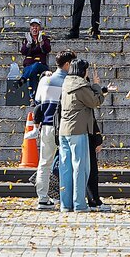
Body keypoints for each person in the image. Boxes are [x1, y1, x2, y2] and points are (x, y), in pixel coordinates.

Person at [60, 58, 111, 212]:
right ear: (82, 71)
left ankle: (65, 203)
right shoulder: (81, 86)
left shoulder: (66, 83)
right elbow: (96, 101)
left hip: (64, 130)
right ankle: (79, 204)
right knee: (80, 168)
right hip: (78, 130)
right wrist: (96, 85)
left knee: (66, 169)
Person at [33, 50, 75, 209]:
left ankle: (42, 198)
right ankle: (66, 198)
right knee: (66, 163)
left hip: (47, 125)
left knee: (44, 163)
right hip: (64, 126)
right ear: (67, 64)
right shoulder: (70, 82)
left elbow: (38, 102)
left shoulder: (46, 80)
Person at [19, 18, 52, 96]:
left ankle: (23, 79)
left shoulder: (44, 38)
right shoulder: (27, 39)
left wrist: (41, 42)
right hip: (29, 66)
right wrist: (28, 45)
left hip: (41, 65)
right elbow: (23, 52)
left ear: (40, 28)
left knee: (36, 65)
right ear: (30, 28)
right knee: (32, 72)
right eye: (32, 26)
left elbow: (47, 50)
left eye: (36, 26)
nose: (34, 28)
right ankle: (33, 98)